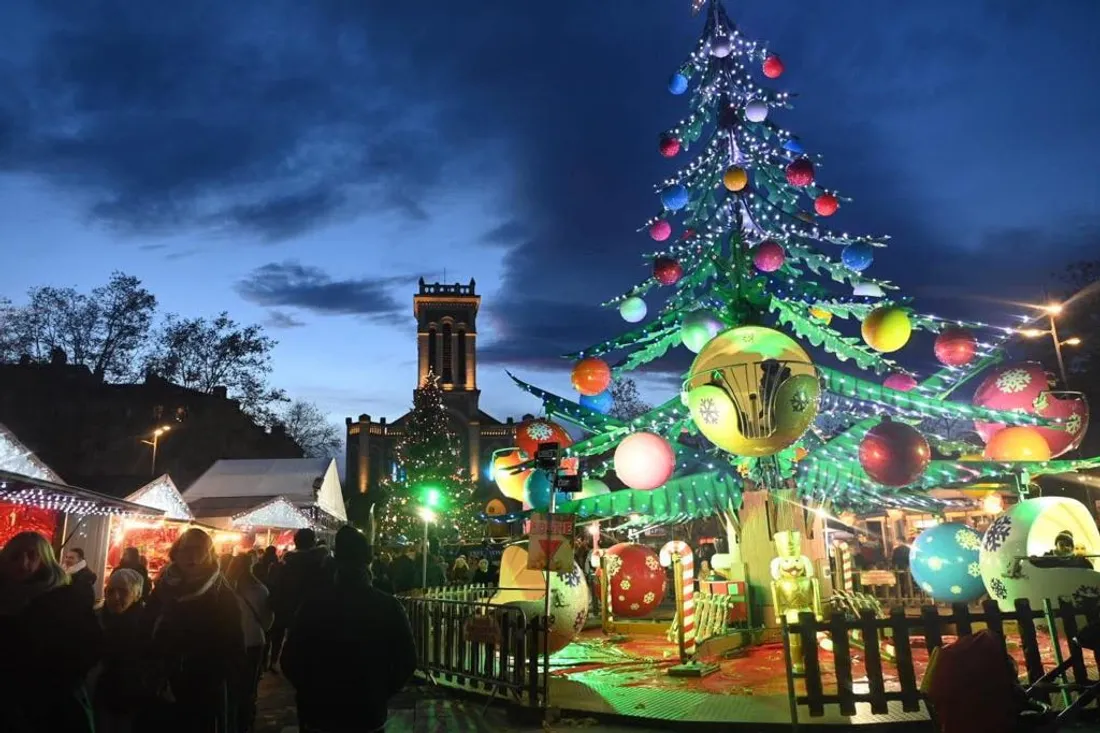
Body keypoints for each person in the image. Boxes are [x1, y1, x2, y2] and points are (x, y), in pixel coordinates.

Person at [283, 525, 416, 733]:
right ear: (368, 563)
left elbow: (290, 660)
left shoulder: (313, 605)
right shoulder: (387, 606)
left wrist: (312, 691)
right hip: (368, 713)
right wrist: (378, 691)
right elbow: (407, 660)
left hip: (321, 713)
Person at [139, 528, 245, 733]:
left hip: (200, 693)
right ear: (176, 552)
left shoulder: (221, 595)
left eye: (199, 550)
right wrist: (152, 672)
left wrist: (210, 682)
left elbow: (233, 648)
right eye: (186, 549)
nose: (192, 556)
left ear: (209, 554)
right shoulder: (163, 588)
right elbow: (146, 628)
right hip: (159, 688)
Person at [0, 531, 103, 733]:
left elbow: (91, 647)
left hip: (53, 707)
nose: (24, 562)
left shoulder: (67, 599)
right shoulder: (5, 598)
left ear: (45, 559)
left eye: (32, 555)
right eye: (16, 556)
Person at [93, 568, 148, 733]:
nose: (115, 597)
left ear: (136, 594)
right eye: (111, 591)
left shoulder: (147, 624)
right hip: (100, 695)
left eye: (123, 591)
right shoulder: (95, 619)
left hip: (132, 698)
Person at [270, 529, 334, 670]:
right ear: (313, 542)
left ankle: (274, 661)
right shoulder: (323, 561)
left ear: (296, 542)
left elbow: (277, 586)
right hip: (313, 611)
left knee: (282, 636)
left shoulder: (286, 562)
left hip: (288, 607)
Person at [227, 553, 274, 733]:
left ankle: (231, 722)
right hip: (254, 642)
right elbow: (268, 621)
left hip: (231, 643)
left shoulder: (225, 589)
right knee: (248, 688)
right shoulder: (260, 590)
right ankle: (245, 724)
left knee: (231, 687)